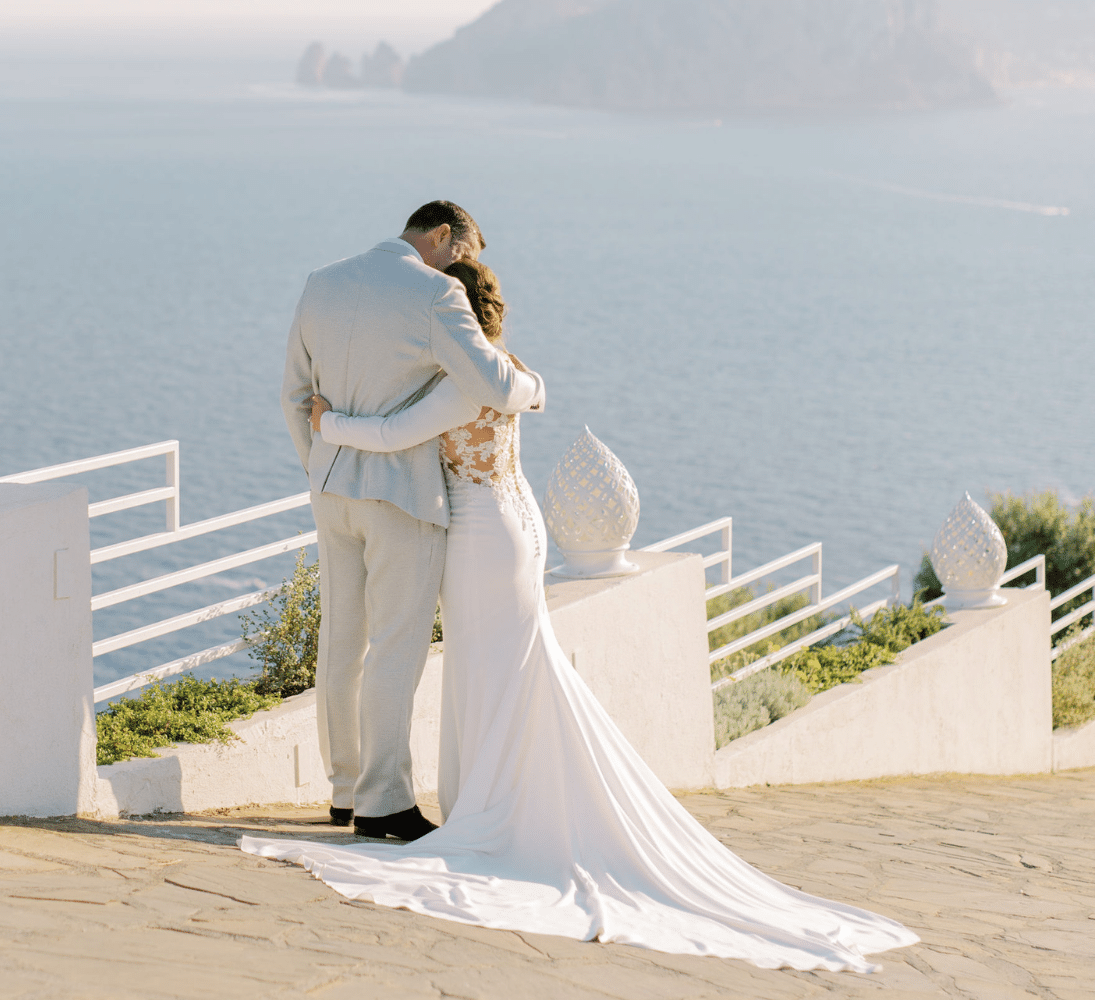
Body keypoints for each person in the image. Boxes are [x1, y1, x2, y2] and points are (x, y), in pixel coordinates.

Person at [244, 258, 920, 973]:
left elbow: (390, 434)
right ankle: (487, 796)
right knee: (506, 664)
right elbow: (530, 391)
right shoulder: (506, 368)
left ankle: (489, 807)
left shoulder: (459, 383)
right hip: (512, 523)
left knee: (487, 665)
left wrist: (330, 423)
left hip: (482, 537)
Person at [279, 201, 545, 842]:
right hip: (401, 499)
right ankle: (382, 802)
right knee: (395, 651)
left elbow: (294, 395)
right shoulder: (437, 296)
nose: (470, 269)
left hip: (331, 488)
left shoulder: (323, 281)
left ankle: (343, 789)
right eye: (468, 254)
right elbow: (494, 384)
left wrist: (323, 467)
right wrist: (537, 388)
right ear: (444, 237)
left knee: (341, 644)